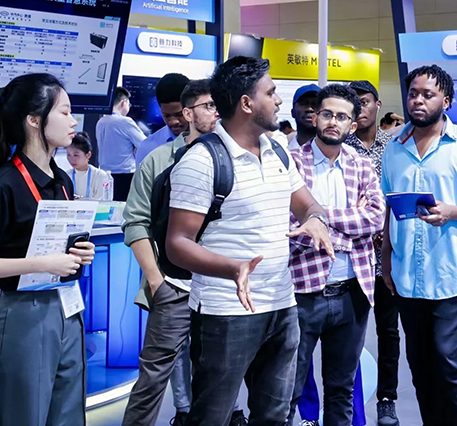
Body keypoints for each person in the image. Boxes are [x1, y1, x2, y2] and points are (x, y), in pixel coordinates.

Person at [165, 57, 335, 426]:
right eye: (271, 93)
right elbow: (177, 243)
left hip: (282, 304)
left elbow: (307, 203)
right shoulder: (202, 161)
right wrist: (232, 268)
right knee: (212, 416)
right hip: (225, 312)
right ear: (246, 103)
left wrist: (315, 219)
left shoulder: (277, 150)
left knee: (274, 415)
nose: (278, 100)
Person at [381, 65, 457, 426]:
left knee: (450, 365)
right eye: (413, 93)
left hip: (455, 274)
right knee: (420, 367)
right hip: (407, 274)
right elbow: (389, 208)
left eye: (428, 94)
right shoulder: (394, 148)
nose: (418, 100)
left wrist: (451, 212)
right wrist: (386, 260)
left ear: (446, 101)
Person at [122, 80, 248, 426]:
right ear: (190, 112)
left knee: (222, 374)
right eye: (209, 106)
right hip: (175, 286)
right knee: (153, 377)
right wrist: (157, 282)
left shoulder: (237, 158)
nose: (216, 112)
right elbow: (135, 222)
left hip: (223, 286)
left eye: (218, 105)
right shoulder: (158, 159)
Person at [0, 73, 96, 425]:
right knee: (25, 413)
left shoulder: (63, 180)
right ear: (34, 119)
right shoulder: (6, 183)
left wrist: (80, 254)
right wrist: (42, 263)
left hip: (67, 304)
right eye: (65, 112)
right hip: (22, 311)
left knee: (68, 412)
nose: (73, 121)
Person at [287, 84, 385, 426]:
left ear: (352, 125)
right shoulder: (291, 164)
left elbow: (375, 218)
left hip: (352, 292)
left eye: (342, 117)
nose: (333, 121)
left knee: (342, 389)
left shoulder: (362, 165)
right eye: (327, 114)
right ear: (316, 117)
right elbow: (288, 226)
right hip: (302, 292)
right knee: (289, 388)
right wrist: (346, 227)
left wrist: (318, 216)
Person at [345, 80, 400, 426]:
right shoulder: (340, 147)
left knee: (389, 332)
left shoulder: (394, 147)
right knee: (350, 336)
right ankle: (349, 403)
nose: (359, 108)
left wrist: (388, 231)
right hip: (353, 258)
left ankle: (387, 398)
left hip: (387, 260)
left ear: (377, 105)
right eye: (353, 102)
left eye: (364, 101)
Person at [95, 86, 146, 200]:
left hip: (105, 175)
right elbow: (145, 145)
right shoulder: (125, 121)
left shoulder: (101, 122)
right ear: (123, 103)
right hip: (125, 176)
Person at [135, 73, 190, 166]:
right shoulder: (147, 148)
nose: (173, 121)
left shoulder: (209, 140)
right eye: (166, 116)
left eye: (179, 114)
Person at [65, 131, 113, 200]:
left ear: (88, 155)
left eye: (76, 155)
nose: (71, 159)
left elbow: (102, 202)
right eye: (69, 155)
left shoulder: (100, 175)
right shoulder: (65, 176)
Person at [289, 84, 320, 150]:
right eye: (303, 103)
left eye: (315, 104)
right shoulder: (283, 153)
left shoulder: (339, 152)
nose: (309, 109)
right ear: (293, 112)